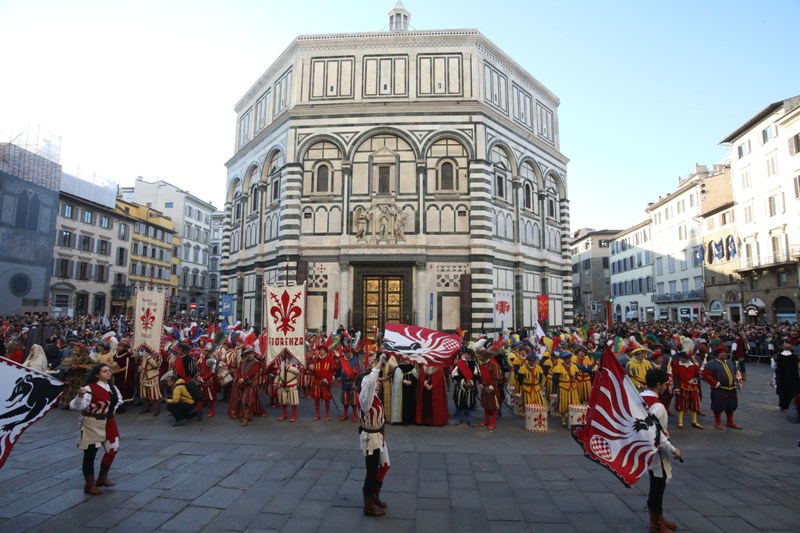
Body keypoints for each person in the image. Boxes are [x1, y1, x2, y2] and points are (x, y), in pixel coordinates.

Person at [69, 363, 122, 495]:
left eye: (109, 371)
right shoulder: (89, 388)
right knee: (90, 454)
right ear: (97, 374)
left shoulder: (112, 387)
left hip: (109, 420)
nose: (108, 373)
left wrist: (111, 410)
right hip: (92, 422)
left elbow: (118, 400)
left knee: (113, 448)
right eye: (105, 371)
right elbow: (75, 406)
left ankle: (102, 478)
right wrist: (80, 396)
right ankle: (89, 484)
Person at [642, 368, 682, 532]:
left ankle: (659, 518)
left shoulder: (639, 398)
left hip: (643, 449)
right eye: (665, 384)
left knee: (656, 483)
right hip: (656, 451)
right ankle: (655, 524)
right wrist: (674, 450)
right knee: (658, 486)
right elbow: (659, 436)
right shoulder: (659, 407)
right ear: (658, 385)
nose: (667, 387)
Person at [355, 352, 390, 517]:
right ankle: (368, 505)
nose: (377, 383)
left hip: (379, 435)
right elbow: (369, 381)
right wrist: (379, 363)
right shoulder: (365, 397)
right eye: (375, 381)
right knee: (371, 471)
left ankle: (375, 496)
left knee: (385, 465)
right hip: (371, 438)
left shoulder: (373, 395)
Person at [702, 345, 742, 430]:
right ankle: (718, 422)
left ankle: (730, 422)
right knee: (718, 406)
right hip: (719, 389)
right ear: (717, 354)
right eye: (722, 353)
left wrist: (737, 379)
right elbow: (706, 375)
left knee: (731, 406)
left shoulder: (730, 363)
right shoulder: (711, 364)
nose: (724, 354)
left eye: (725, 352)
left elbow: (735, 372)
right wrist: (715, 383)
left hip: (731, 389)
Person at [672, 350, 702, 429]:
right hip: (682, 387)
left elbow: (698, 376)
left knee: (694, 403)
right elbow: (675, 377)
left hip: (693, 388)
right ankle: (680, 421)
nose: (682, 359)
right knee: (680, 403)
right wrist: (676, 388)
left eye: (684, 358)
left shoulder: (694, 365)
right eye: (681, 357)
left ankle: (694, 421)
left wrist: (694, 380)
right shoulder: (677, 365)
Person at [451, 348, 480, 426]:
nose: (469, 356)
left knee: (469, 404)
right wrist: (463, 382)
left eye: (470, 354)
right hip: (461, 387)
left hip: (470, 387)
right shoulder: (458, 363)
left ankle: (470, 420)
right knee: (460, 403)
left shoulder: (474, 363)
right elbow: (454, 375)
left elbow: (477, 375)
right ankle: (459, 419)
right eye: (467, 354)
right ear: (463, 354)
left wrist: (471, 382)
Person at [478, 348, 503, 430]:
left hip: (493, 388)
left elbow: (496, 377)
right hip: (484, 388)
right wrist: (480, 384)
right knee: (486, 404)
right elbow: (480, 376)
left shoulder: (493, 364)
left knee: (493, 406)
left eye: (482, 356)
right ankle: (486, 420)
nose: (481, 357)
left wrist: (492, 386)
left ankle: (493, 423)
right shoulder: (481, 365)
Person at [310, 346, 336, 421]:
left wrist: (327, 379)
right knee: (316, 398)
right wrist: (311, 368)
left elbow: (332, 371)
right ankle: (317, 414)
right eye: (320, 350)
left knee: (327, 398)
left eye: (322, 350)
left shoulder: (329, 360)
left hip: (326, 382)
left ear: (325, 351)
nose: (321, 352)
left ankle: (327, 414)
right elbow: (312, 372)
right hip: (317, 381)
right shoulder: (315, 360)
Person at [276, 352, 302, 422]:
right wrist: (275, 382)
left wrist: (288, 367)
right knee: (283, 400)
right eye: (287, 354)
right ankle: (284, 414)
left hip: (292, 383)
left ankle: (294, 415)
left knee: (293, 400)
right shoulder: (282, 363)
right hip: (282, 384)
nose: (288, 355)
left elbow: (298, 371)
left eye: (290, 354)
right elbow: (278, 373)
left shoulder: (297, 362)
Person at [137, 344, 162, 416]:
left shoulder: (157, 354)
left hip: (152, 376)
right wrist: (140, 367)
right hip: (143, 375)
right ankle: (147, 408)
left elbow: (157, 365)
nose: (144, 348)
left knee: (154, 394)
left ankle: (156, 409)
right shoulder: (144, 353)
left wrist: (149, 357)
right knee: (144, 394)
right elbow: (142, 362)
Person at [774, 342, 800, 410]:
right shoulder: (794, 357)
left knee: (782, 391)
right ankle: (791, 404)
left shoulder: (778, 356)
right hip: (792, 377)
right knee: (792, 390)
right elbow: (798, 367)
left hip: (781, 376)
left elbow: (773, 365)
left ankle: (782, 405)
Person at [338, 346, 361, 422]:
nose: (348, 353)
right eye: (346, 352)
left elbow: (359, 372)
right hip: (344, 383)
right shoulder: (341, 360)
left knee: (353, 400)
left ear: (352, 352)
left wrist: (356, 382)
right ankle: (345, 414)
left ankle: (354, 415)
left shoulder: (355, 360)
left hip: (352, 383)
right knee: (345, 400)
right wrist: (338, 377)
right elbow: (338, 371)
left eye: (349, 352)